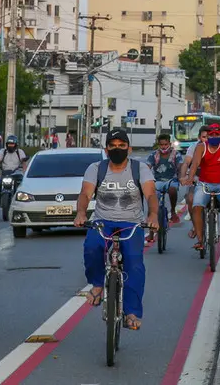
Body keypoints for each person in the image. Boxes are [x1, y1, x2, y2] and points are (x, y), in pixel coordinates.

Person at [74, 128, 157, 331]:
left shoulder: (140, 168)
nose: (117, 149)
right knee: (92, 247)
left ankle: (132, 312)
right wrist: (81, 213)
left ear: (129, 148)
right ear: (106, 149)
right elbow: (85, 194)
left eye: (121, 145)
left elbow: (151, 195)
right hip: (103, 221)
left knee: (134, 264)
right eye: (112, 146)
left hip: (132, 223)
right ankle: (97, 285)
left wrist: (153, 215)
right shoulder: (96, 168)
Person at [185, 121, 220, 248]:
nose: (214, 137)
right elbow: (195, 164)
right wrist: (190, 178)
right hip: (204, 184)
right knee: (196, 206)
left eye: (217, 135)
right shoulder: (201, 147)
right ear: (208, 136)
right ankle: (200, 240)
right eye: (212, 135)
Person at [147, 133, 181, 225]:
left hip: (172, 180)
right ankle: (151, 225)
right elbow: (147, 167)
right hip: (157, 181)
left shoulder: (176, 154)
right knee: (152, 201)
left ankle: (173, 211)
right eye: (161, 145)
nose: (164, 147)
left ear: (170, 144)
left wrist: (182, 176)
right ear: (158, 145)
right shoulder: (154, 155)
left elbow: (180, 166)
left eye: (166, 144)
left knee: (172, 190)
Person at [180, 126, 209, 234]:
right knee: (190, 199)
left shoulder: (217, 147)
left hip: (212, 179)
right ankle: (195, 226)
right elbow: (186, 163)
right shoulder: (193, 147)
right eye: (204, 137)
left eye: (209, 137)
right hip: (196, 178)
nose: (206, 139)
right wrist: (183, 176)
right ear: (199, 137)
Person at [0, 136, 28, 207]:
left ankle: (22, 200)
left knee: (22, 185)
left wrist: (25, 170)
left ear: (16, 144)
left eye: (12, 144)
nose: (10, 146)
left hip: (16, 173)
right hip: (5, 172)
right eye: (9, 144)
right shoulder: (3, 151)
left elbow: (23, 161)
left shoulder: (19, 152)